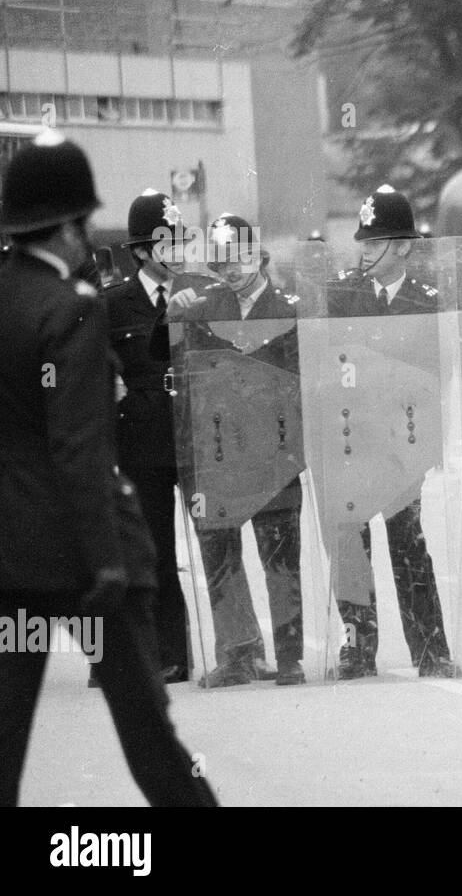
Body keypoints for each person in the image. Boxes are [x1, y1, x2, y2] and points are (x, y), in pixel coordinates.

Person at [0, 131, 217, 806]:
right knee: (151, 738)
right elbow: (79, 446)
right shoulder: (74, 310)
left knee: (5, 737)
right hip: (89, 569)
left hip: (11, 563)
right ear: (66, 227)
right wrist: (111, 563)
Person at [325, 185, 459, 678]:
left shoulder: (429, 301)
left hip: (403, 442)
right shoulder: (341, 295)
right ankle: (357, 648)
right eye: (361, 240)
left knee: (407, 542)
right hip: (352, 441)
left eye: (374, 240)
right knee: (351, 543)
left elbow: (439, 373)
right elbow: (327, 363)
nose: (363, 248)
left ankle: (431, 650)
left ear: (403, 245)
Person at [167, 214, 306, 686]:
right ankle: (238, 653)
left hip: (275, 453)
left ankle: (289, 656)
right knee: (220, 552)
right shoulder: (202, 307)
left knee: (280, 555)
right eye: (220, 263)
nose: (228, 271)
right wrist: (174, 311)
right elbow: (175, 365)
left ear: (257, 255)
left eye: (237, 260)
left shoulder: (290, 306)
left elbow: (305, 382)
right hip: (221, 452)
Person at [104, 189, 222, 684]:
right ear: (143, 252)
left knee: (218, 545)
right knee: (154, 551)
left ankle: (238, 649)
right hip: (143, 446)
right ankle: (170, 654)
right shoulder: (114, 304)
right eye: (166, 243)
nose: (178, 251)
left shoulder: (209, 293)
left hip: (199, 439)